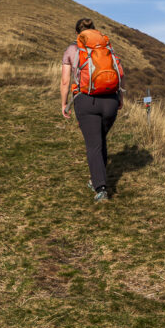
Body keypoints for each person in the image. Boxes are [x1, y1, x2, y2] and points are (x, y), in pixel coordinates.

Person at [60, 18, 123, 201]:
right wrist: (121, 98)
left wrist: (64, 104)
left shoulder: (72, 50)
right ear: (94, 31)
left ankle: (100, 188)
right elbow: (121, 72)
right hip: (111, 100)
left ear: (77, 33)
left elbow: (65, 81)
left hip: (86, 100)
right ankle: (97, 178)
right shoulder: (106, 47)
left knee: (94, 144)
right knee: (100, 139)